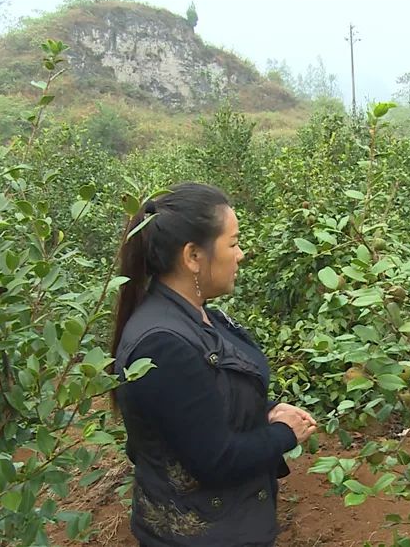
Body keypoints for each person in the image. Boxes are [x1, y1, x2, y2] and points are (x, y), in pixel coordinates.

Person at [110, 182, 317, 546]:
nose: (240, 255)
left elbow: (200, 402)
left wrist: (263, 410)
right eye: (233, 244)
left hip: (226, 523)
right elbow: (214, 460)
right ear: (193, 256)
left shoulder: (199, 316)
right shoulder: (162, 344)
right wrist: (285, 433)